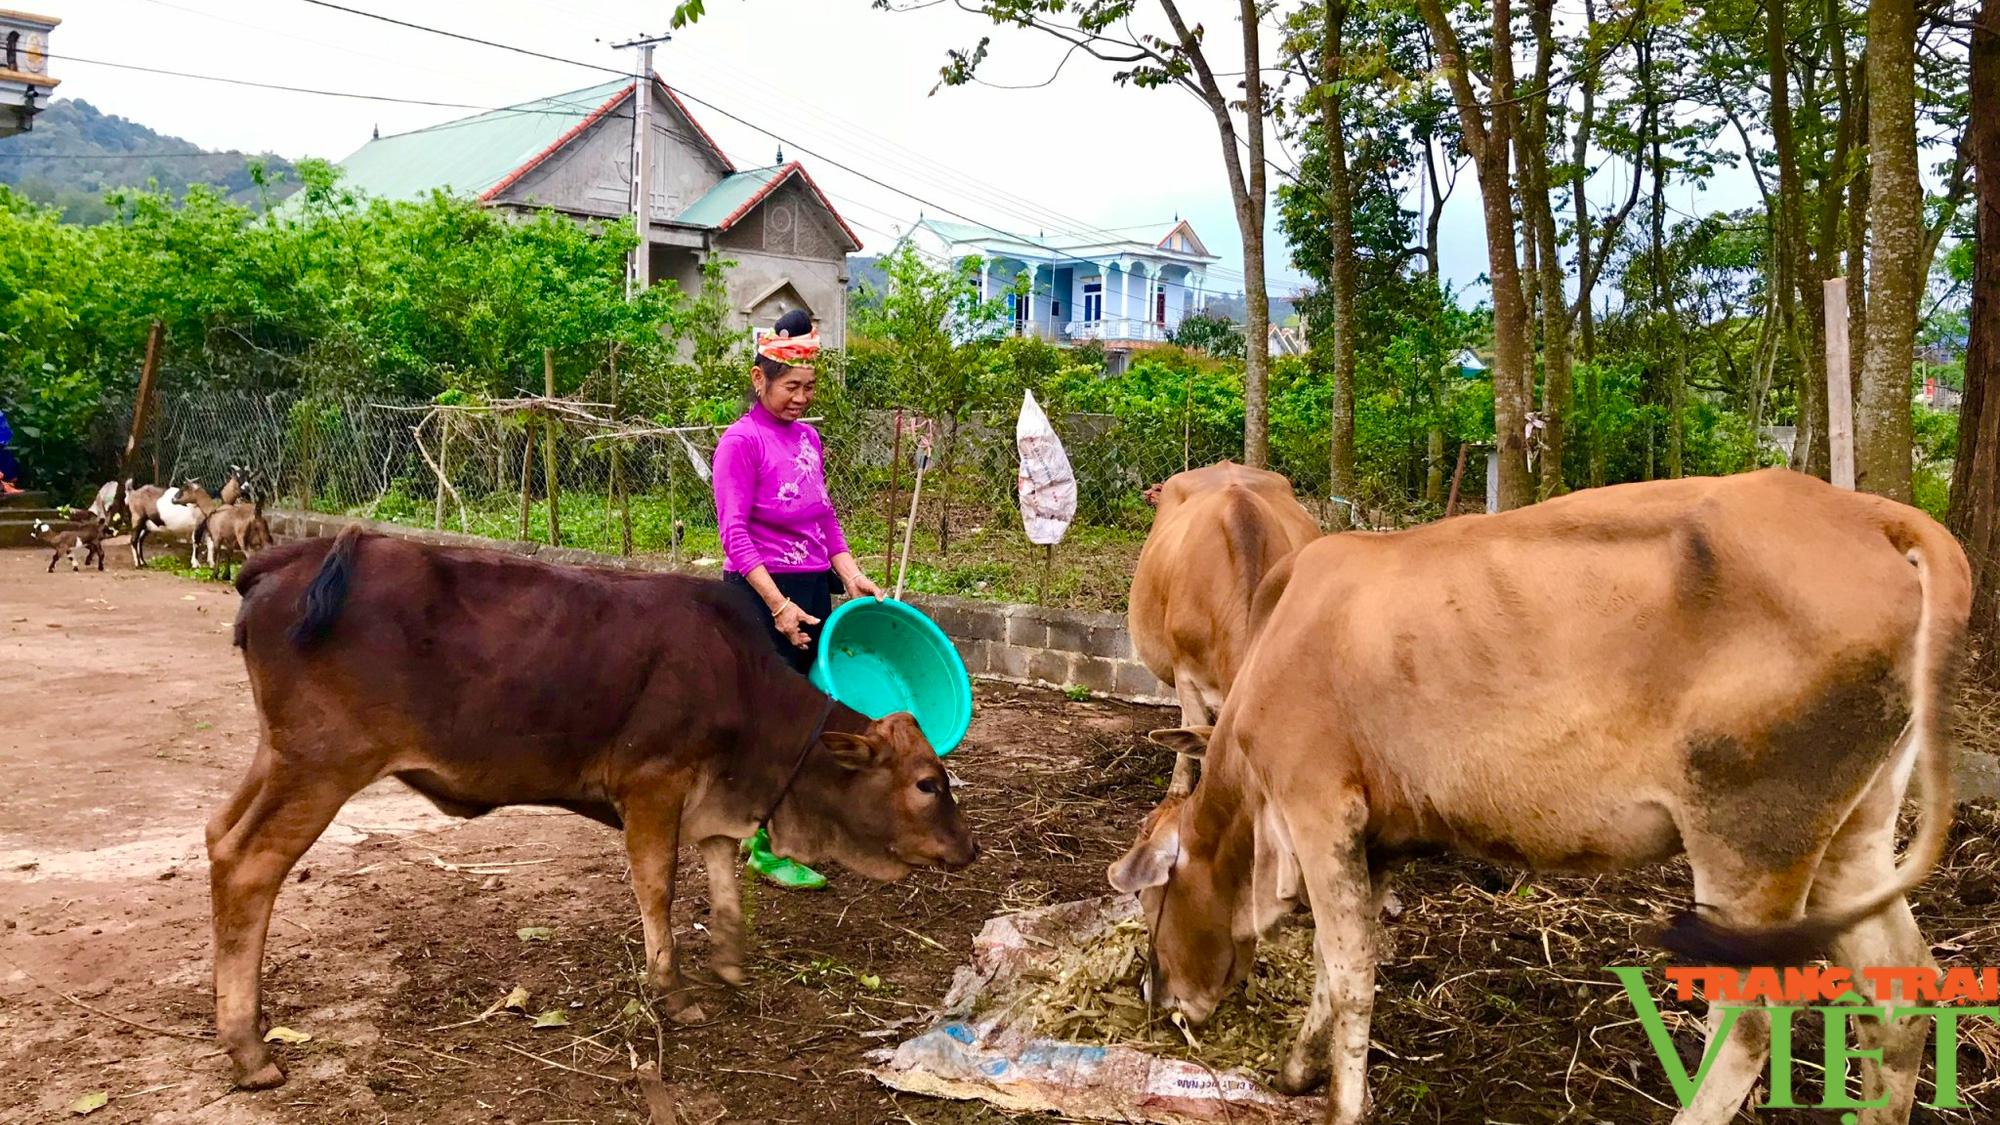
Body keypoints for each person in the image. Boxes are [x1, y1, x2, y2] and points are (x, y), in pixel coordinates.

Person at [712, 309, 884, 890]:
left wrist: (851, 573)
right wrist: (778, 606)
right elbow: (734, 535)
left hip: (813, 588)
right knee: (772, 724)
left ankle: (786, 828)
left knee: (811, 712)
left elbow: (823, 516)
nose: (801, 399)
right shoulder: (741, 442)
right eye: (791, 387)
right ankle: (761, 843)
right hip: (761, 596)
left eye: (809, 388)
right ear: (759, 382)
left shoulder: (809, 439)